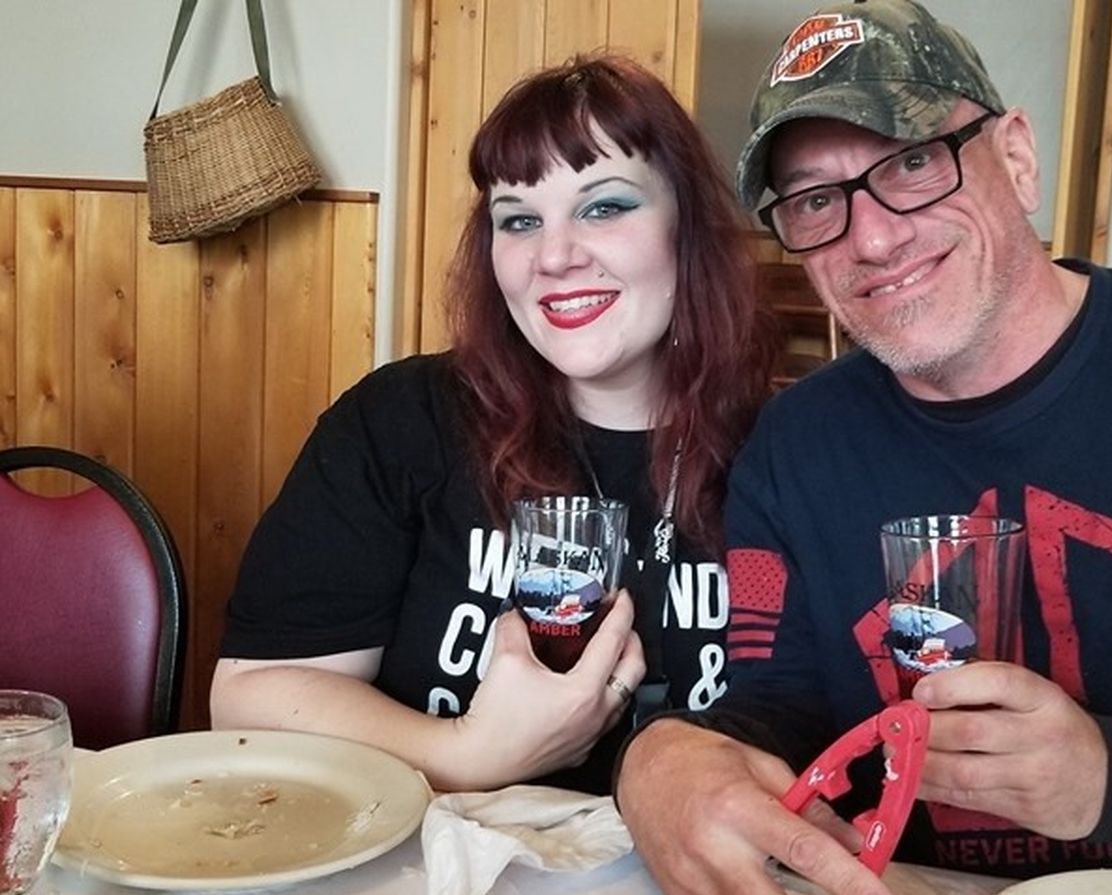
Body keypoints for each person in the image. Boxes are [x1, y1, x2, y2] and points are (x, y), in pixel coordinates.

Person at [613, 2, 1112, 895]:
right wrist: (659, 759)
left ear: (1017, 157)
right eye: (816, 200)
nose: (874, 237)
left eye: (915, 162)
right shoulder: (794, 445)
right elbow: (774, 703)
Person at [208, 55, 775, 796]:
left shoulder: (791, 451)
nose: (554, 256)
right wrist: (470, 754)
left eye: (605, 207)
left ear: (688, 226)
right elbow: (249, 698)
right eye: (520, 220)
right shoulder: (402, 421)